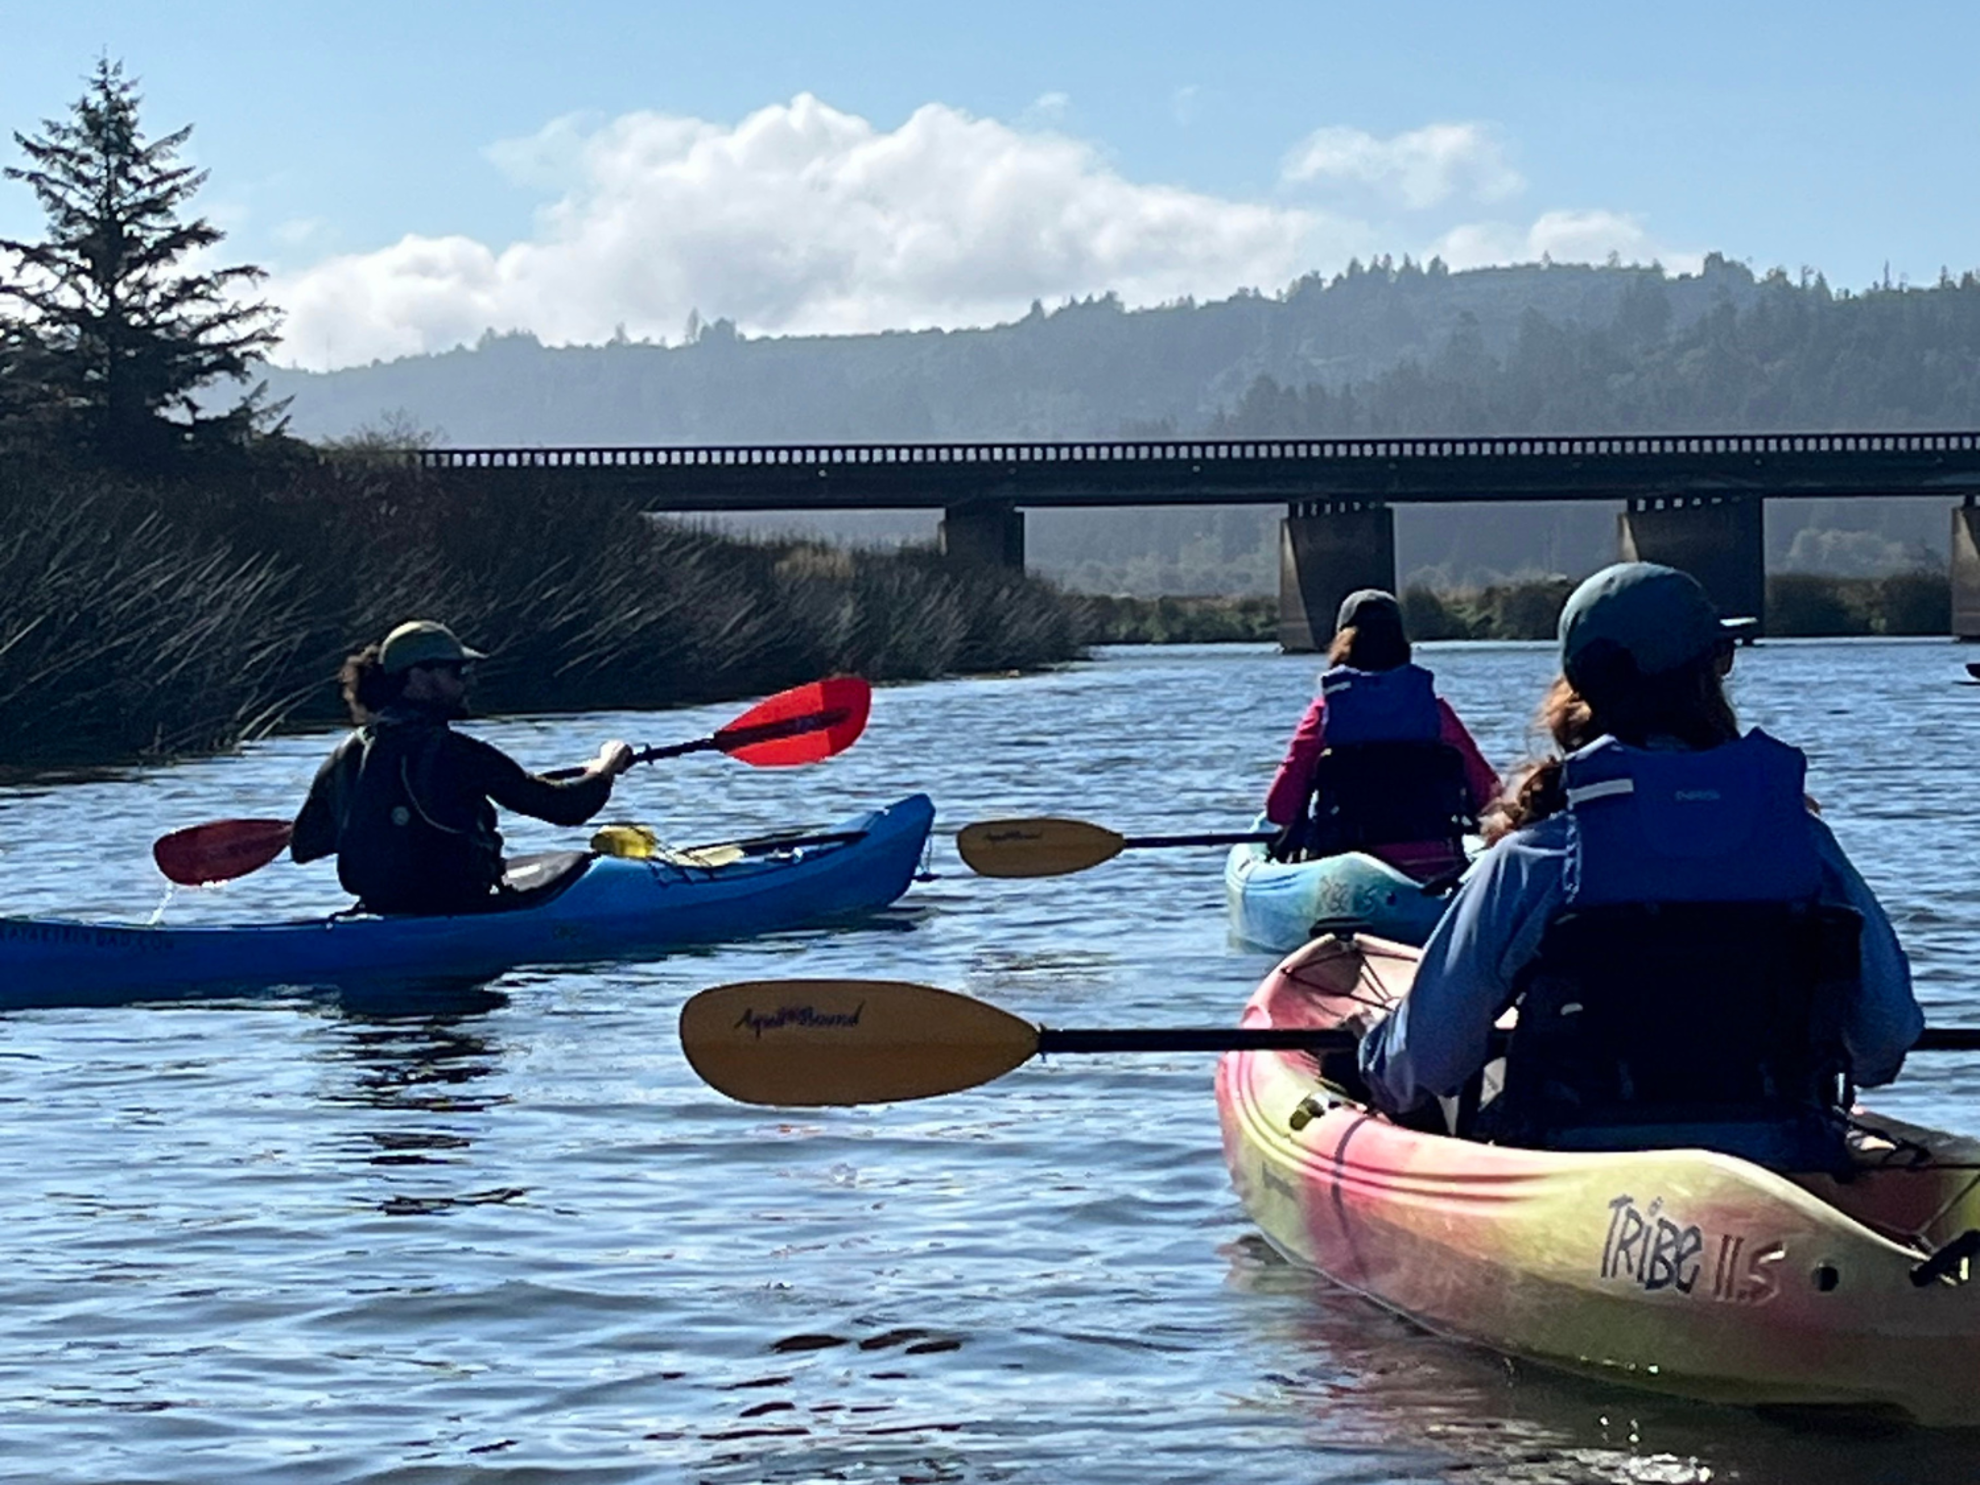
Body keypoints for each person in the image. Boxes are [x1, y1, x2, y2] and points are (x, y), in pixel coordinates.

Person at [1357, 563, 1922, 1167]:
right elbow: (1882, 1045)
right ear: (1710, 672)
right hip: (1776, 1159)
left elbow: (1425, 1063)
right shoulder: (1806, 846)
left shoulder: (1535, 859)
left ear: (1580, 686)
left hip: (1575, 1177)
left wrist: (1368, 1053)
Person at [291, 620, 635, 915]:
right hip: (458, 910)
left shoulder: (345, 755)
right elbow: (566, 808)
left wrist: (371, 816)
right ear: (418, 676)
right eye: (456, 671)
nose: (466, 681)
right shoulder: (456, 753)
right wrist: (605, 767)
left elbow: (305, 845)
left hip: (380, 910)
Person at [1264, 589, 1500, 880]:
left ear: (1342, 643)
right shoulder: (1436, 713)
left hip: (1347, 873)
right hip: (1436, 868)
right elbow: (1491, 797)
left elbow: (1279, 810)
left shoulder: (1323, 714)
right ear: (1401, 644)